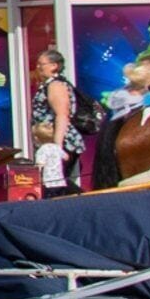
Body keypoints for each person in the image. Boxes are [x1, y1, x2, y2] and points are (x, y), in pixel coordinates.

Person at [29, 45, 87, 193]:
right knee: (55, 183)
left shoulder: (55, 85)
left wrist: (57, 145)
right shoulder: (47, 84)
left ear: (54, 66)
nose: (38, 67)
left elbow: (62, 114)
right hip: (50, 140)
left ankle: (82, 200)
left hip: (61, 140)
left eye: (41, 64)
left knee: (57, 183)